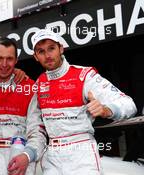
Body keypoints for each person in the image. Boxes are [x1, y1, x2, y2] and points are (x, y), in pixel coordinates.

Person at [29, 29, 137, 175]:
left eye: (51, 48)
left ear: (61, 48)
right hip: (52, 156)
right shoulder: (38, 84)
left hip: (82, 152)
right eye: (41, 51)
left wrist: (106, 110)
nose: (47, 55)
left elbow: (129, 104)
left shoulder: (84, 75)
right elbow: (34, 126)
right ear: (35, 57)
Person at [0, 37, 46, 175]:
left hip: (21, 152)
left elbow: (37, 132)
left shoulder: (29, 86)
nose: (4, 64)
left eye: (9, 58)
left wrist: (27, 156)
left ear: (16, 60)